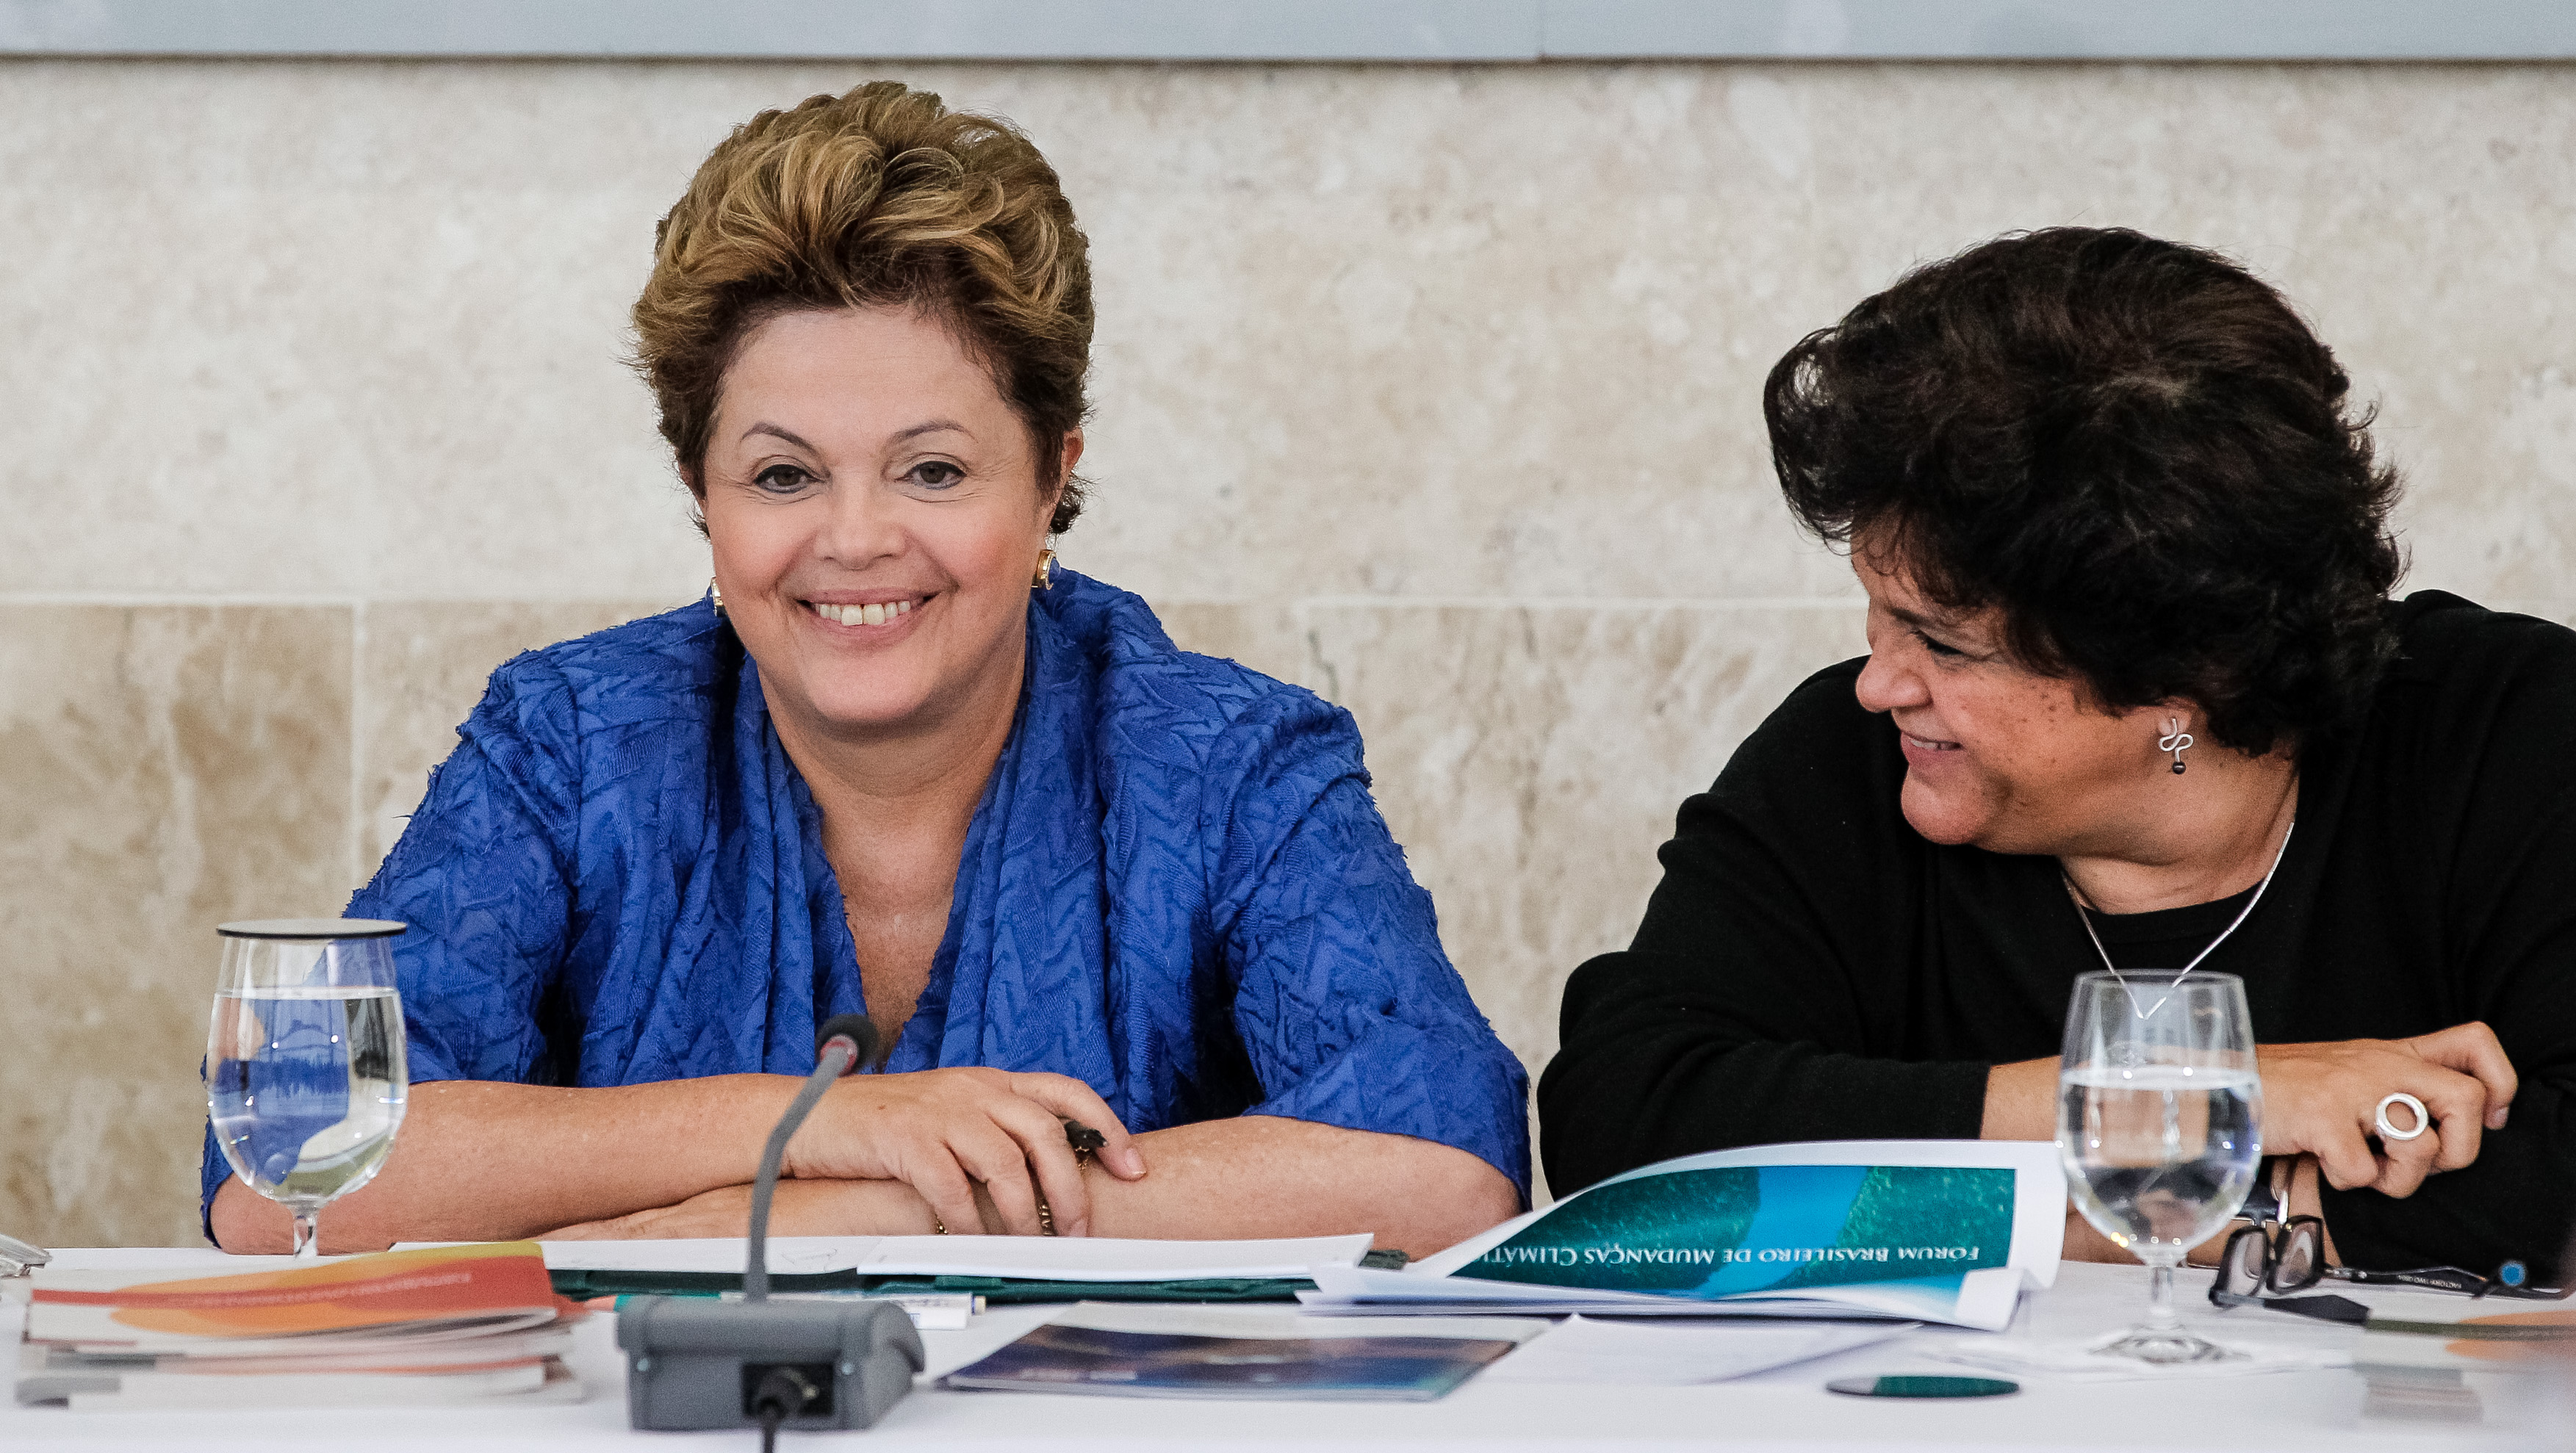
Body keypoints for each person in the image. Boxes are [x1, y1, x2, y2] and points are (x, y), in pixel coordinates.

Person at [205, 82, 1525, 1254]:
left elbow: (1446, 1174)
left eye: (933, 470)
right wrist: (818, 1126)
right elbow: (286, 1181)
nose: (853, 540)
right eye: (783, 474)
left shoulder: (1231, 760)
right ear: (699, 492)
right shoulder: (570, 741)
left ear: (1055, 472)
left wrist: (856, 1210)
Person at [1541, 228, 2575, 1280]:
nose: (1879, 682)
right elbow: (1623, 1121)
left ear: (2183, 678)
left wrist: (1992, 1207)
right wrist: (2203, 1106)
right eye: (1879, 618)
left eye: (1943, 642)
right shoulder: (1853, 758)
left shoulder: (2511, 734)